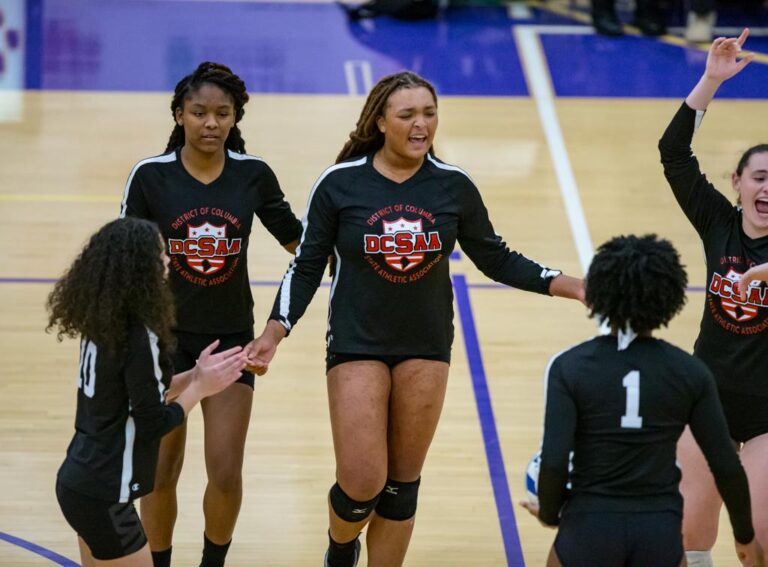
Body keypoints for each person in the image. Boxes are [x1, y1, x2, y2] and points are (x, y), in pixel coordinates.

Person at [246, 70, 585, 567]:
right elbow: (308, 264)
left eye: (429, 113)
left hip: (426, 346)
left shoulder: (453, 186)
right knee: (362, 481)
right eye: (407, 115)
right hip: (356, 344)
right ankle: (341, 547)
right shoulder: (340, 183)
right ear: (381, 122)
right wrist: (275, 331)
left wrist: (569, 285)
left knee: (402, 486)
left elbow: (494, 256)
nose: (421, 124)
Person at [119, 62, 303, 567]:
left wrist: (346, 244)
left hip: (228, 341)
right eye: (199, 112)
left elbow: (300, 246)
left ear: (235, 117)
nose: (210, 123)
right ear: (179, 115)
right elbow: (123, 259)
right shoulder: (151, 176)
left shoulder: (253, 175)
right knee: (159, 472)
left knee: (225, 472)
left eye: (222, 113)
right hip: (164, 343)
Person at [519, 234, 764, 567]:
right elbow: (725, 465)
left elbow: (554, 461)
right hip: (659, 532)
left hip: (590, 528)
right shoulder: (690, 372)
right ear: (671, 296)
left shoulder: (570, 366)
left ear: (598, 294)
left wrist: (549, 513)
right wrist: (744, 536)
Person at [48, 217, 248, 567]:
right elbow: (153, 422)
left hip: (77, 483)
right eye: (161, 255)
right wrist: (200, 390)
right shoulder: (142, 337)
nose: (169, 261)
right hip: (107, 496)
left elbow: (138, 395)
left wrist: (195, 375)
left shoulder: (103, 325)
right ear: (140, 268)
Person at [658, 29, 768, 567]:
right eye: (760, 178)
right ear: (738, 182)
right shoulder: (718, 225)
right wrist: (710, 81)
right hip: (709, 403)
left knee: (761, 542)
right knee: (687, 539)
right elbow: (673, 154)